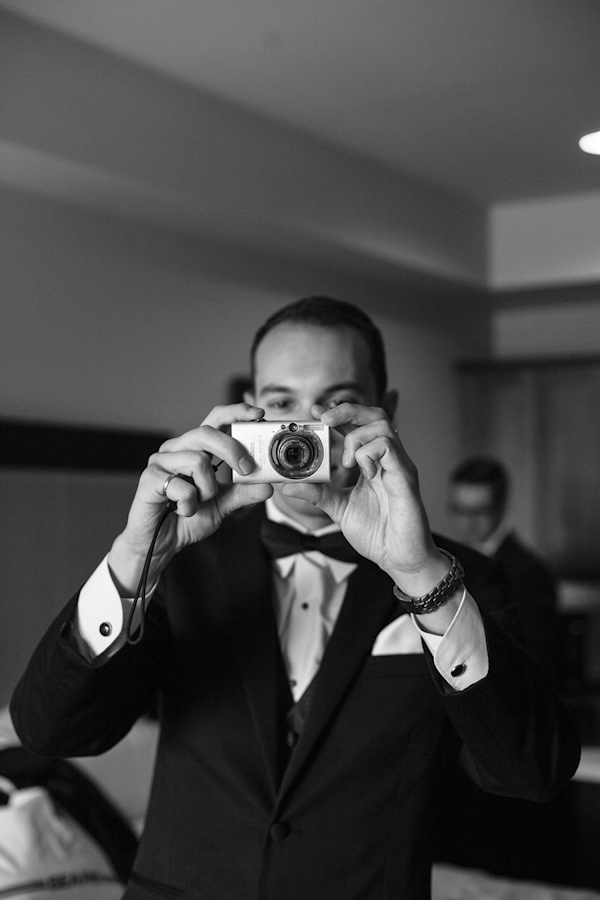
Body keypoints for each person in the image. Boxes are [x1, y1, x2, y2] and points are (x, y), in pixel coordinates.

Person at [10, 297, 579, 900]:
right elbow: (50, 732)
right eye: (281, 403)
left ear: (385, 411)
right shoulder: (181, 560)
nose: (304, 430)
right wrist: (133, 555)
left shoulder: (462, 578)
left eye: (336, 402)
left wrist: (419, 576)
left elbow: (532, 774)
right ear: (248, 411)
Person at [448, 456, 559, 681]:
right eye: (460, 510)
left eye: (479, 511)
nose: (468, 522)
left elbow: (535, 659)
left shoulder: (529, 572)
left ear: (501, 506)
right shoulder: (454, 561)